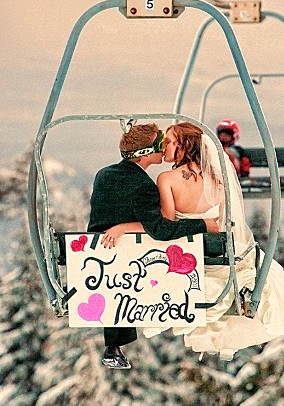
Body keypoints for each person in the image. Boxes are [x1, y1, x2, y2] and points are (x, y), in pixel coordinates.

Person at [103, 122, 284, 360]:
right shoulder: (218, 179)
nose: (164, 146)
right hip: (222, 257)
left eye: (169, 141)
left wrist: (124, 228)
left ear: (184, 145)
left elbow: (165, 226)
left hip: (191, 260)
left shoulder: (167, 179)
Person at [88, 122, 219, 369]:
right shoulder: (144, 186)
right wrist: (203, 225)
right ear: (146, 152)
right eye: (161, 144)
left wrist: (124, 227)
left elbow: (115, 217)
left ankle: (113, 346)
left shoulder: (104, 175)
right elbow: (160, 229)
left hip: (98, 256)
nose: (164, 149)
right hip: (128, 258)